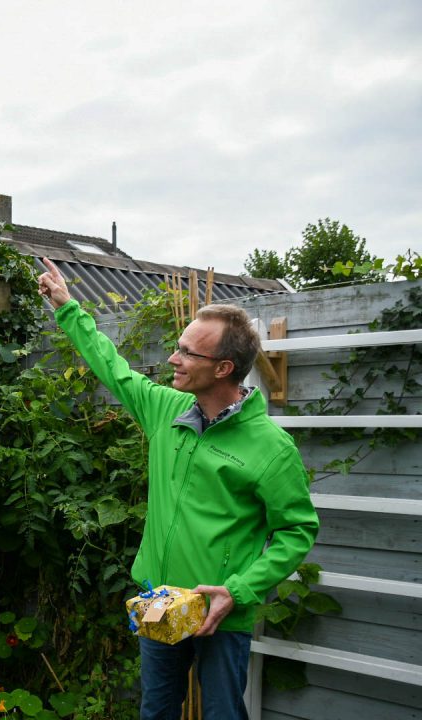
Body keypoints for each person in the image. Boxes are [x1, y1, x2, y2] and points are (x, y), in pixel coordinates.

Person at [37, 257, 318, 720]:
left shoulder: (271, 447)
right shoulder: (165, 410)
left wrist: (239, 590)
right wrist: (68, 307)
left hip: (219, 611)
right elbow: (113, 368)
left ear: (224, 367)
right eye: (179, 347)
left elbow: (297, 531)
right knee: (157, 711)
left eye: (189, 352)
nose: (173, 358)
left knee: (224, 714)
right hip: (160, 600)